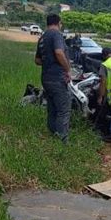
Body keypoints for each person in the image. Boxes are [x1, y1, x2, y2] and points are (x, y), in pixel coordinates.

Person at [35, 13, 71, 142]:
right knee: (63, 110)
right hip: (57, 78)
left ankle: (53, 135)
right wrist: (67, 70)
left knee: (52, 109)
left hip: (46, 78)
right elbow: (59, 52)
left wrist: (48, 61)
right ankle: (62, 140)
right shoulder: (56, 35)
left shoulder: (42, 37)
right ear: (58, 23)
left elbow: (37, 60)